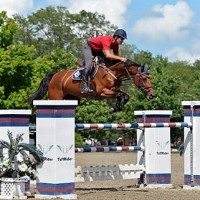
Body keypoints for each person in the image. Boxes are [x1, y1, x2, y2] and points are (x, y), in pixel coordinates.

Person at [81, 29, 128, 93]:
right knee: (88, 65)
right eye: (121, 39)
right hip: (88, 47)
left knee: (107, 62)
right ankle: (84, 87)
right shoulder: (107, 40)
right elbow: (108, 55)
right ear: (116, 37)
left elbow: (116, 57)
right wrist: (121, 58)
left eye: (123, 39)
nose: (122, 41)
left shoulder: (116, 45)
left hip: (97, 50)